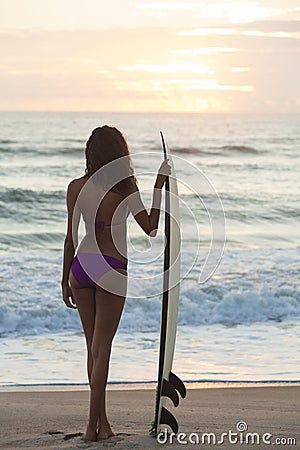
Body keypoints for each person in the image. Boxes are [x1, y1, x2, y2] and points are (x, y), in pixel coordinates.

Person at [61, 126, 171, 441]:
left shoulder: (75, 187)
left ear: (90, 153)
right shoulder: (126, 189)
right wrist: (159, 185)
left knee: (92, 349)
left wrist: (64, 280)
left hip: (81, 267)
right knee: (103, 348)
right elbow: (150, 227)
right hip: (110, 267)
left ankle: (102, 425)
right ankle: (89, 429)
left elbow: (70, 237)